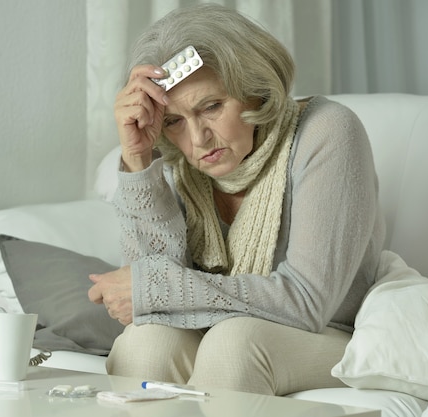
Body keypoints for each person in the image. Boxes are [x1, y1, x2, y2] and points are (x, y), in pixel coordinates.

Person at [88, 3, 385, 396]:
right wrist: (139, 160)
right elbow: (151, 287)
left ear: (255, 88)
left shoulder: (326, 130)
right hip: (216, 327)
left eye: (211, 107)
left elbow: (308, 302)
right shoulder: (182, 162)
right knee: (146, 342)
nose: (197, 139)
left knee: (234, 344)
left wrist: (154, 290)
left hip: (329, 333)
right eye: (174, 121)